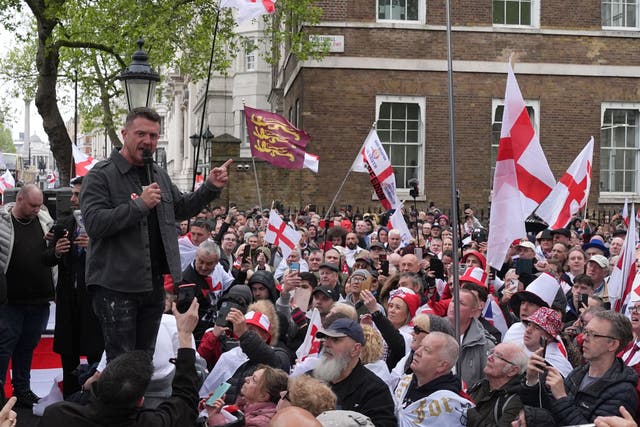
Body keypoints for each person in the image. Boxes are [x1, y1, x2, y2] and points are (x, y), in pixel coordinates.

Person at [81, 107, 231, 363]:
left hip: (151, 285)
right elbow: (94, 224)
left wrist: (209, 188)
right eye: (141, 134)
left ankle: (140, 402)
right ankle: (120, 404)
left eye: (153, 136)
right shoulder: (101, 175)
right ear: (124, 134)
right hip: (116, 287)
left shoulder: (158, 173)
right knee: (121, 364)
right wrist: (139, 205)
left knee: (143, 360)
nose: (148, 141)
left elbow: (181, 208)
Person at [39, 298, 202, 426]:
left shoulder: (59, 416)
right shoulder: (153, 423)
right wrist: (185, 335)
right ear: (141, 401)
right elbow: (185, 400)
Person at [521, 310, 638, 424]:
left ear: (612, 344)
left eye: (593, 335)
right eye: (585, 331)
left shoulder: (622, 391)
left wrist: (561, 397)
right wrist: (532, 381)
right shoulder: (578, 373)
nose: (584, 338)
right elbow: (547, 414)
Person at [0, 184, 55, 408]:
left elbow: (53, 257)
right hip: (10, 301)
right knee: (4, 348)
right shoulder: (3, 222)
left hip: (39, 299)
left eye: (39, 205)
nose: (36, 209)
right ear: (20, 199)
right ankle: (1, 393)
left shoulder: (45, 220)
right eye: (32, 205)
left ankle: (22, 390)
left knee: (27, 347)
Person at [52, 176, 104, 398]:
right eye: (73, 194)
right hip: (68, 299)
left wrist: (95, 247)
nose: (72, 199)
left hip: (93, 301)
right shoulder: (64, 223)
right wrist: (56, 251)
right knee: (68, 352)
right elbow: (45, 258)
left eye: (77, 194)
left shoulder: (104, 224)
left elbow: (119, 259)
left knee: (95, 354)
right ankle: (70, 401)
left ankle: (95, 399)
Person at [311, 318, 397, 427]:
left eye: (335, 340)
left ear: (355, 349)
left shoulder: (374, 391)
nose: (326, 344)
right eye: (326, 338)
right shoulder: (310, 379)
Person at [393, 332, 473, 426]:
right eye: (420, 346)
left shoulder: (450, 405)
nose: (417, 352)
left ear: (442, 365)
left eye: (426, 350)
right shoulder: (405, 382)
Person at [203, 365, 288, 427]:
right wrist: (208, 409)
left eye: (254, 379)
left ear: (263, 396)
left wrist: (215, 416)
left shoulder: (261, 422)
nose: (246, 378)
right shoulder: (243, 407)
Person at [466, 342, 528, 427]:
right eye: (491, 352)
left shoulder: (516, 400)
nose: (490, 357)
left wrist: (467, 411)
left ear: (512, 371)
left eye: (498, 356)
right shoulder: (479, 386)